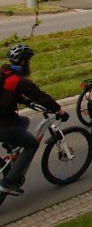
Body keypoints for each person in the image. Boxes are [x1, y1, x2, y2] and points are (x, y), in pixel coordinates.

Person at [0, 44, 68, 196]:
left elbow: (7, 94)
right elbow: (41, 96)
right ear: (23, 62)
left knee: (24, 121)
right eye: (29, 61)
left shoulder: (4, 73)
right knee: (31, 144)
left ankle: (13, 151)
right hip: (4, 125)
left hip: (4, 120)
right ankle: (9, 182)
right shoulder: (20, 81)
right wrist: (59, 110)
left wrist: (26, 101)